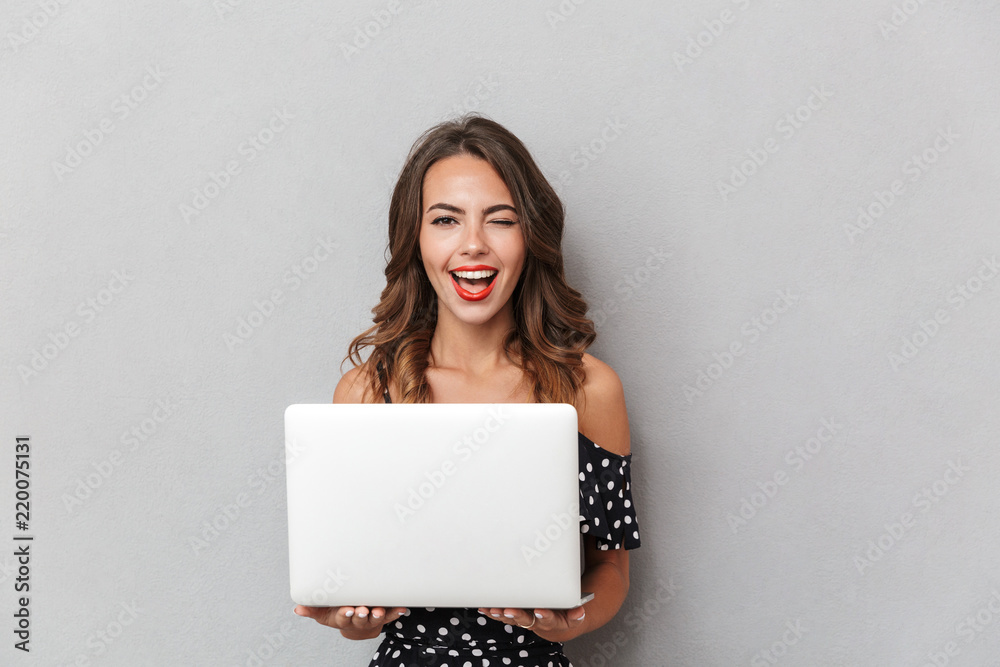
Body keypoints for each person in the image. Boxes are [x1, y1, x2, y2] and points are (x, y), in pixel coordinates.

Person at [293, 114, 641, 667]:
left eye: (500, 220)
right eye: (446, 220)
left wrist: (566, 624)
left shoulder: (588, 388)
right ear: (416, 238)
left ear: (531, 238)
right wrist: (351, 620)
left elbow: (612, 569)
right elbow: (352, 601)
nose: (473, 245)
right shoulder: (366, 392)